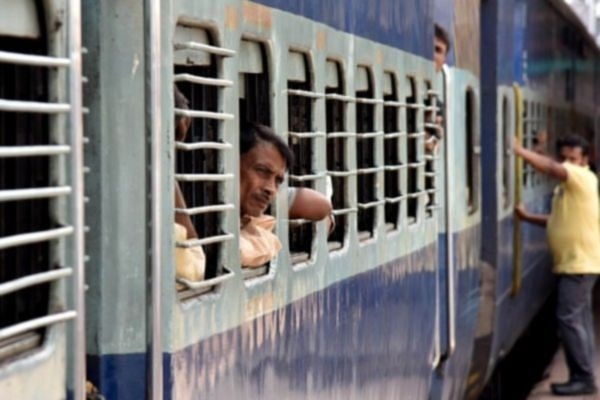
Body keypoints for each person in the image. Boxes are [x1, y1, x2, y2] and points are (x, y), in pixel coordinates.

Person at [513, 134, 600, 396]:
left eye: (573, 159)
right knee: (579, 320)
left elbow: (551, 167)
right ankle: (582, 375)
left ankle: (583, 377)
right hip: (574, 263)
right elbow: (558, 220)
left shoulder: (583, 178)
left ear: (585, 161)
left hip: (579, 264)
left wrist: (518, 150)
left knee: (570, 318)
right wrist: (528, 217)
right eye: (564, 158)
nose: (567, 164)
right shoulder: (567, 188)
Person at [239, 122, 332, 267]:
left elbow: (321, 206)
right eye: (262, 171)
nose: (271, 189)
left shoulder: (259, 217)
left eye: (278, 181)